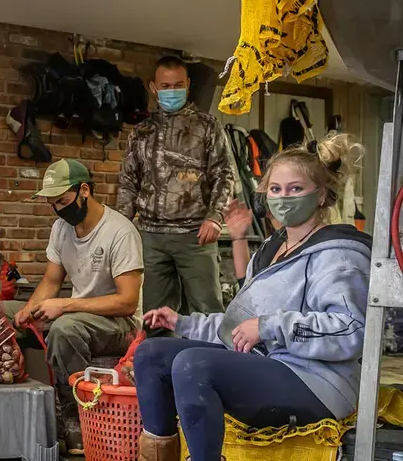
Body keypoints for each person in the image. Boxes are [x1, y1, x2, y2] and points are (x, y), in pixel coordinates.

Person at [133, 135, 370, 461]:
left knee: (194, 366)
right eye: (275, 189)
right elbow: (243, 326)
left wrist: (270, 327)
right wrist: (182, 322)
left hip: (316, 381)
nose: (283, 197)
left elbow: (350, 331)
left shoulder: (339, 254)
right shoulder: (275, 249)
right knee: (151, 354)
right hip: (269, 362)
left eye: (295, 189)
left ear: (321, 196)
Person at [1, 158, 144, 456]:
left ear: (84, 191)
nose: (58, 209)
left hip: (120, 325)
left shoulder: (120, 232)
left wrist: (64, 306)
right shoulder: (61, 229)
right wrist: (28, 310)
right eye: (52, 203)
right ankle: (15, 410)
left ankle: (76, 422)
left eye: (62, 201)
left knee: (65, 329)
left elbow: (127, 303)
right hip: (79, 315)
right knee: (0, 313)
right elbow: (51, 282)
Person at [116, 55, 235, 335]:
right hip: (150, 237)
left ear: (188, 85)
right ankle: (162, 371)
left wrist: (215, 217)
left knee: (208, 310)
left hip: (195, 235)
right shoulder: (141, 132)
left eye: (178, 85)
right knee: (155, 316)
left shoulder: (208, 127)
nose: (172, 91)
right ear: (153, 88)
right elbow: (128, 182)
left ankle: (215, 369)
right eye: (166, 86)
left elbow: (224, 174)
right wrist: (121, 228)